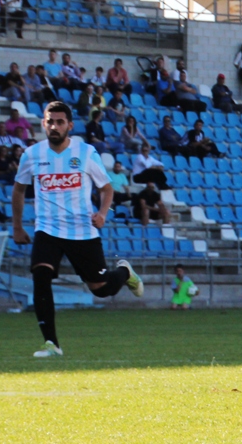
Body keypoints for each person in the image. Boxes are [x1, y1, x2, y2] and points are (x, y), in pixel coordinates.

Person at [12, 101, 145, 358]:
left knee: (101, 288)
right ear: (43, 124)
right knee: (40, 275)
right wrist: (17, 226)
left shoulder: (85, 153)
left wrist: (103, 214)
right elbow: (18, 189)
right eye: (50, 121)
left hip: (82, 230)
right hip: (48, 229)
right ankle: (52, 343)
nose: (54, 126)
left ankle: (124, 271)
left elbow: (106, 189)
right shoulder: (32, 155)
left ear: (69, 126)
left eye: (60, 122)